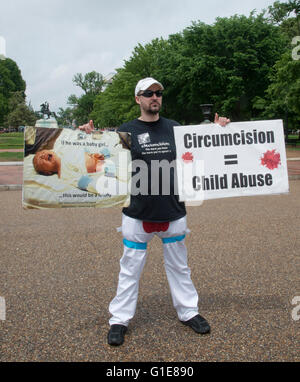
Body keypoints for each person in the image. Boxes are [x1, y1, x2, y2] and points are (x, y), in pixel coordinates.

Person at [80, 77, 230, 346]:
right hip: (137, 214)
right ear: (138, 98)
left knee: (180, 267)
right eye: (148, 93)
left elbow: (199, 149)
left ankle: (189, 312)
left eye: (158, 93)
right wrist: (86, 139)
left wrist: (216, 132)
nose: (155, 97)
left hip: (173, 211)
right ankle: (119, 319)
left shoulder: (174, 128)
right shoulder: (125, 132)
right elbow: (101, 159)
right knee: (129, 269)